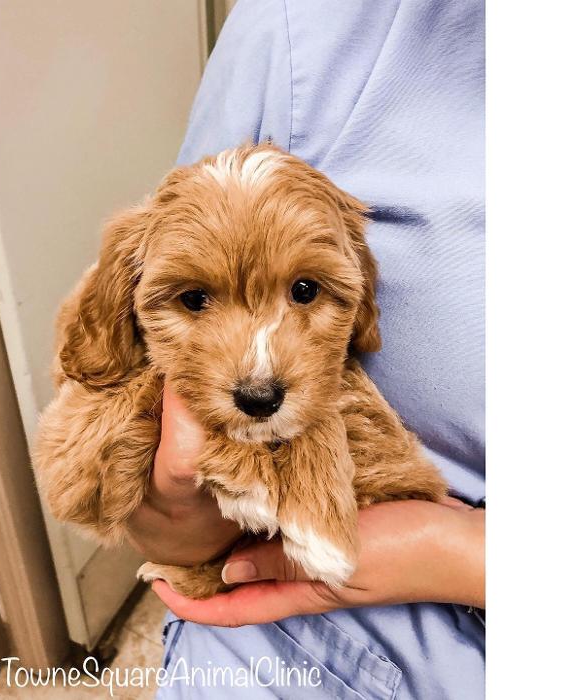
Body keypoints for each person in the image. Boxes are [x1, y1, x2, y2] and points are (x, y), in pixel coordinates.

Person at [126, 0, 485, 697]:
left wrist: (459, 557)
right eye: (202, 301)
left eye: (303, 291)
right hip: (304, 637)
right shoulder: (304, 29)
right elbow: (164, 277)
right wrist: (175, 519)